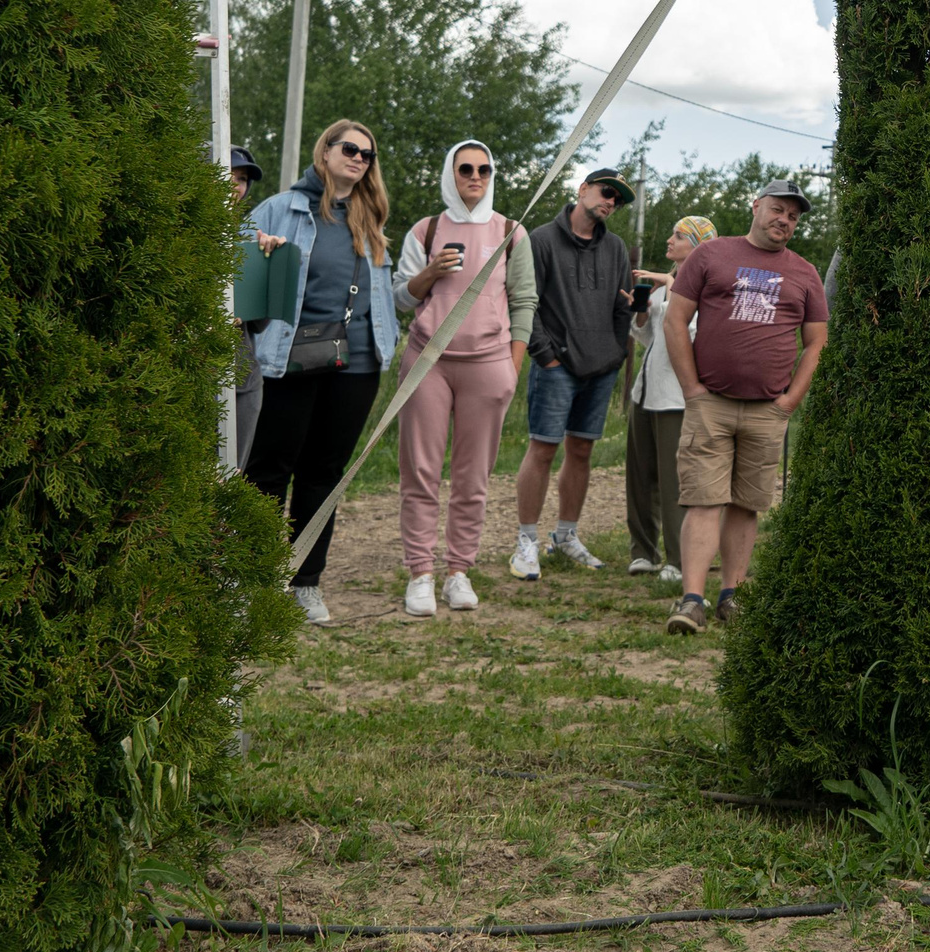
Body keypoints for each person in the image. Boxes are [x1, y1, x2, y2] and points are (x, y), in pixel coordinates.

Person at [243, 122, 399, 627]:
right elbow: (238, 271)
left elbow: (384, 297)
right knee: (268, 472)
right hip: (288, 359)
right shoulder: (280, 209)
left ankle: (305, 581)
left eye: (367, 155)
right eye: (350, 149)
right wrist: (257, 252)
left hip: (357, 365)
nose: (359, 159)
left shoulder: (371, 218)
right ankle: (251, 581)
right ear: (325, 151)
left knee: (324, 475)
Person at [665, 180, 828, 634]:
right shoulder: (710, 255)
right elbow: (675, 319)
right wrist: (691, 389)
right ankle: (691, 601)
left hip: (767, 410)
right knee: (703, 500)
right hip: (710, 403)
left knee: (746, 504)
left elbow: (817, 343)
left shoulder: (805, 273)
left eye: (793, 216)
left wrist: (789, 402)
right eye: (777, 209)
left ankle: (731, 597)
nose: (784, 220)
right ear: (756, 206)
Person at [392, 140, 535, 617]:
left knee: (473, 477)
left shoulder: (511, 231)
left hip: (488, 365)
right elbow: (401, 298)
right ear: (449, 174)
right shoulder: (426, 229)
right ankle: (420, 572)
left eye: (483, 169)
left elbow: (524, 301)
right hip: (427, 362)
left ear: (492, 175)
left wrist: (512, 367)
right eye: (465, 169)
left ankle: (458, 571)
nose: (475, 177)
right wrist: (431, 272)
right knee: (420, 471)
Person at [512, 168, 638, 581]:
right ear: (583, 189)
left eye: (618, 199)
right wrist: (545, 355)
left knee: (581, 450)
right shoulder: (541, 240)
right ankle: (526, 541)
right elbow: (524, 300)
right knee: (543, 449)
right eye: (606, 192)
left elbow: (623, 306)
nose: (611, 202)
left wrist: (616, 353)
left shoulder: (616, 247)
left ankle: (566, 536)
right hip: (556, 365)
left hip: (601, 366)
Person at [625, 216, 717, 580]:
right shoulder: (665, 285)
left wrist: (670, 285)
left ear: (698, 246)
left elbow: (694, 334)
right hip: (645, 393)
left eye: (678, 235)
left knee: (675, 481)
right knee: (639, 476)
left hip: (675, 399)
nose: (669, 239)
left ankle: (679, 560)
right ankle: (643, 551)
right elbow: (648, 338)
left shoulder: (708, 287)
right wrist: (641, 312)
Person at [228, 145, 267, 471]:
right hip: (189, 380)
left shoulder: (247, 243)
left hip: (243, 384)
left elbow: (258, 324)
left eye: (241, 179)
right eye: (227, 174)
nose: (235, 185)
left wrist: (267, 264)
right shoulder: (173, 235)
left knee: (229, 484)